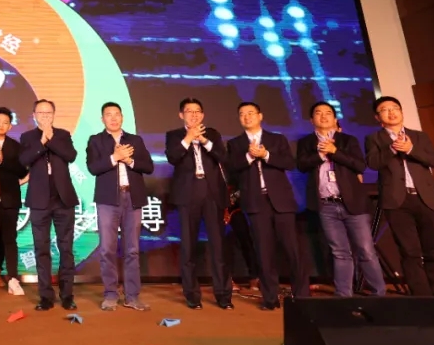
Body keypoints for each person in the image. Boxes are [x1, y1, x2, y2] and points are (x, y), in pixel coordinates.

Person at [297, 102, 385, 297]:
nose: (323, 116)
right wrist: (320, 154)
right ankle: (344, 295)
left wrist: (334, 151)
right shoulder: (306, 143)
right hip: (326, 204)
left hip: (353, 203)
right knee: (339, 251)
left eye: (328, 113)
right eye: (318, 113)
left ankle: (379, 293)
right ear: (311, 120)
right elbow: (302, 165)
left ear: (335, 119)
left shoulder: (347, 140)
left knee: (366, 250)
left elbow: (360, 166)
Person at [227, 101, 307, 310]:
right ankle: (270, 298)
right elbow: (232, 168)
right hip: (256, 202)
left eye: (251, 113)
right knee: (264, 252)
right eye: (242, 114)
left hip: (281, 201)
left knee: (293, 250)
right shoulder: (235, 144)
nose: (247, 117)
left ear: (260, 116)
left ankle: (302, 297)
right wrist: (249, 156)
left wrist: (266, 155)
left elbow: (289, 163)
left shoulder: (277, 139)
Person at [365, 96, 434, 297]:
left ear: (401, 112)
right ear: (378, 117)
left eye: (395, 108)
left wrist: (411, 149)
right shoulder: (374, 139)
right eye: (385, 110)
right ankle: (422, 298)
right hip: (397, 202)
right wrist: (392, 148)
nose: (391, 112)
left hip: (426, 199)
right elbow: (373, 163)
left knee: (433, 251)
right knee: (410, 253)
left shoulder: (419, 137)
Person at [165, 98, 232, 310]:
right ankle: (192, 296)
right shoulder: (174, 135)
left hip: (212, 194)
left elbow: (222, 157)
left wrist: (203, 140)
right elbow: (173, 157)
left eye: (197, 111)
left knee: (218, 247)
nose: (193, 115)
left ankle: (223, 295)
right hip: (188, 195)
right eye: (189, 111)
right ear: (181, 115)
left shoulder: (212, 134)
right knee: (188, 247)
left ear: (202, 115)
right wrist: (188, 138)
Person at [86, 102, 153, 311]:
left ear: (122, 117)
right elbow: (93, 167)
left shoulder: (135, 140)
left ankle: (132, 296)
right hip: (108, 200)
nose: (113, 118)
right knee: (107, 249)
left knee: (132, 250)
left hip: (133, 198)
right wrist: (115, 157)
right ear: (102, 119)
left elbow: (148, 166)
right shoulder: (96, 140)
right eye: (109, 114)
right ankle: (110, 294)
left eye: (117, 114)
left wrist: (129, 160)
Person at [20, 99, 79, 311]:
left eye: (48, 113)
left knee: (66, 249)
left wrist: (50, 139)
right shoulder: (27, 137)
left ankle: (67, 295)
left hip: (63, 199)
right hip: (39, 201)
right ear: (34, 115)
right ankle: (45, 296)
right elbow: (23, 160)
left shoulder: (63, 135)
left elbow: (71, 156)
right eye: (41, 113)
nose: (44, 116)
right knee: (41, 249)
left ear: (53, 115)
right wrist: (42, 141)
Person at [0, 107, 26, 296]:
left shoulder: (16, 147)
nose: (1, 125)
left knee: (10, 240)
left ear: (10, 126)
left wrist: (3, 162)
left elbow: (23, 171)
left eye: (5, 122)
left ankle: (12, 279)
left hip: (10, 200)